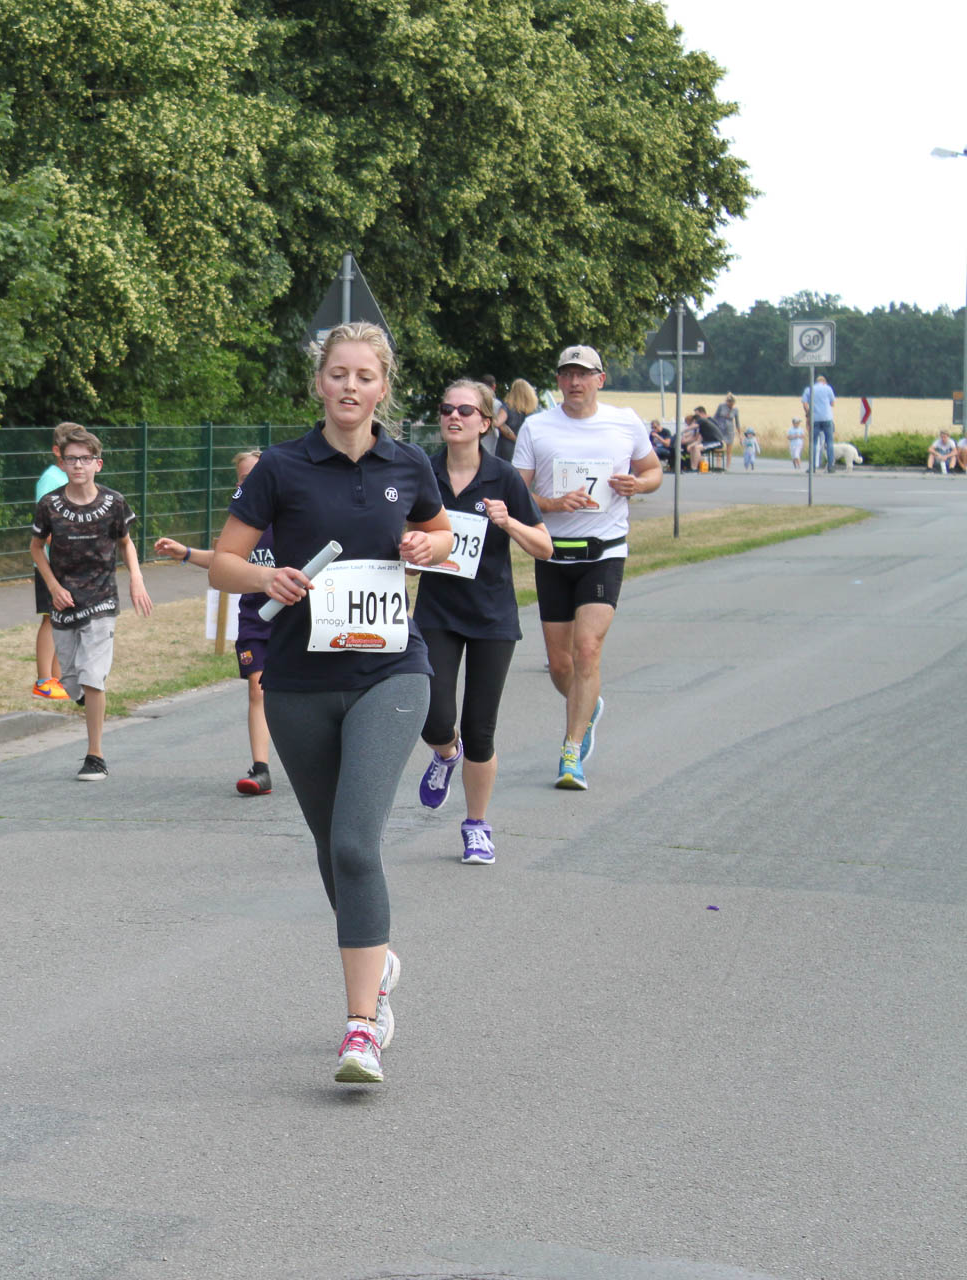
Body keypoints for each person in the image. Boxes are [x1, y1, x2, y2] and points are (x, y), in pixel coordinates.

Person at [208, 320, 453, 1086]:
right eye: (338, 373)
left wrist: (428, 547)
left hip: (392, 673)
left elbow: (443, 535)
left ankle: (360, 1027)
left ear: (383, 388)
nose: (350, 386)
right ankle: (377, 962)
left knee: (353, 843)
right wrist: (264, 578)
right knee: (329, 846)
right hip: (298, 681)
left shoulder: (408, 463)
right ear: (320, 382)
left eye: (364, 376)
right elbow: (222, 563)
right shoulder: (281, 467)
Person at [410, 380, 552, 865]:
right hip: (437, 613)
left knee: (480, 728)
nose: (454, 416)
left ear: (486, 423)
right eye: (446, 408)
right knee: (434, 718)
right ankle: (446, 754)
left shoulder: (503, 477)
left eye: (466, 410)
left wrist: (509, 522)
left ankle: (476, 826)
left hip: (492, 617)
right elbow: (406, 543)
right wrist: (411, 552)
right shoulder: (423, 473)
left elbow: (545, 546)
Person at [512, 344, 662, 791]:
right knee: (561, 665)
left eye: (583, 374)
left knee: (587, 650)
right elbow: (516, 494)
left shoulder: (625, 422)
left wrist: (638, 484)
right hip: (554, 554)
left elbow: (654, 471)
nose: (574, 382)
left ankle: (571, 750)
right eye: (567, 374)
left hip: (604, 552)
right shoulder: (537, 427)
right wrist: (553, 503)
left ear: (600, 379)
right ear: (558, 380)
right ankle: (588, 704)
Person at [29, 426, 154, 782]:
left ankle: (95, 756)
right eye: (72, 459)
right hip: (65, 601)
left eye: (85, 459)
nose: (78, 465)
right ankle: (89, 701)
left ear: (98, 464)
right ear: (62, 463)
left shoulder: (114, 503)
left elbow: (126, 542)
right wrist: (53, 587)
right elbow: (36, 548)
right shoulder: (50, 504)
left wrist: (136, 577)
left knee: (93, 676)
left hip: (101, 600)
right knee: (71, 682)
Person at [153, 450, 277, 796]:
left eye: (256, 476)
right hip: (254, 619)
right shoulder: (243, 523)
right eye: (243, 479)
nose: (249, 484)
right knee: (257, 689)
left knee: (299, 695)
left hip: (294, 619)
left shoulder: (291, 517)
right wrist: (186, 553)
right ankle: (261, 769)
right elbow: (223, 560)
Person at [30, 424, 75, 702]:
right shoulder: (51, 479)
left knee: (64, 620)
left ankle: (58, 679)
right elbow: (45, 526)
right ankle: (43, 680)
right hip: (50, 564)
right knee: (51, 619)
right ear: (57, 451)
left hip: (68, 564)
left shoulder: (70, 479)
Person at [499, 378, 539, 463]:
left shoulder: (507, 407)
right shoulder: (533, 411)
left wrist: (513, 437)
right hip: (525, 448)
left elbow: (498, 422)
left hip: (507, 447)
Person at [802, 375, 836, 473]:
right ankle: (830, 466)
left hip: (815, 419)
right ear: (824, 382)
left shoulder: (809, 389)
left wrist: (808, 413)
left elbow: (804, 403)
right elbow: (833, 403)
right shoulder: (828, 388)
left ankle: (812, 467)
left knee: (813, 443)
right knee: (829, 442)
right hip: (827, 418)